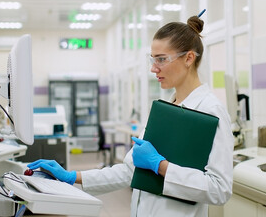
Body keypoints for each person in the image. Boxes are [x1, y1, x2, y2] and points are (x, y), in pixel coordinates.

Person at [28, 13, 234, 217]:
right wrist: (72, 177)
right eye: (153, 60)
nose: (154, 68)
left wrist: (161, 166)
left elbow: (219, 189)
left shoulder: (210, 110)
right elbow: (130, 171)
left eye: (161, 59)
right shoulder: (166, 108)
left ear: (189, 58)